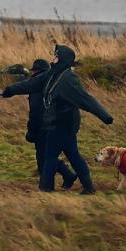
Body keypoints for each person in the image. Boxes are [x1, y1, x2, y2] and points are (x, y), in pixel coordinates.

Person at [2, 45, 113, 194]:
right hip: (56, 125)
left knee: (50, 156)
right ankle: (88, 187)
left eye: (56, 56)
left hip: (63, 125)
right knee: (73, 156)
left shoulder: (68, 79)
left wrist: (105, 116)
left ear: (62, 59)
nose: (53, 58)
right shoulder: (51, 74)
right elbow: (31, 84)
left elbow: (86, 99)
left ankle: (46, 188)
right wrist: (11, 90)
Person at [22, 58, 77, 189]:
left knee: (43, 159)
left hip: (43, 127)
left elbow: (35, 113)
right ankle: (64, 176)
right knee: (48, 155)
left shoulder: (36, 87)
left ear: (36, 71)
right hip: (55, 125)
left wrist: (31, 131)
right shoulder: (54, 83)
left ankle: (49, 185)